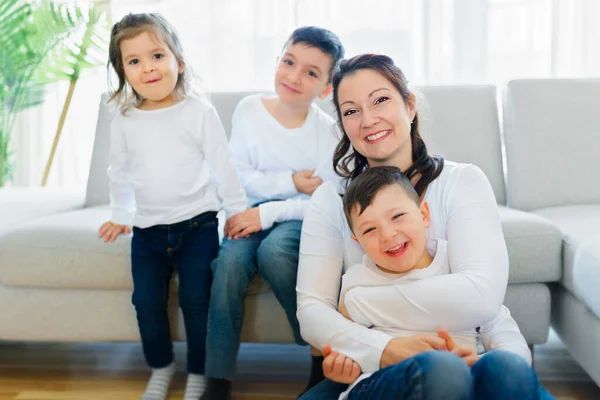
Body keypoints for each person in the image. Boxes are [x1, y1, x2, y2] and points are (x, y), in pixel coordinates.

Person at [296, 53, 512, 399]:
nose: (368, 120)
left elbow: (482, 298)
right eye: (351, 111)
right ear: (342, 127)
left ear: (410, 106)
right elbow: (312, 314)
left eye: (380, 100)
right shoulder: (330, 197)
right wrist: (385, 348)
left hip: (461, 357)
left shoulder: (463, 181)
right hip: (374, 367)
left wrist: (357, 304)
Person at [98, 13, 247, 400]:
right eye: (134, 61)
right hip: (147, 232)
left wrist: (237, 210)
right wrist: (120, 214)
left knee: (198, 303)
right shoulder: (124, 118)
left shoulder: (199, 111)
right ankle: (161, 368)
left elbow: (223, 163)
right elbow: (119, 170)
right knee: (146, 302)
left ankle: (198, 372)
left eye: (156, 55)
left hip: (197, 226)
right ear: (124, 72)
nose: (147, 67)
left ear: (178, 61)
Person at [201, 26, 345, 400]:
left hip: (299, 218)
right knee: (229, 265)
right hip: (249, 210)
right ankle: (217, 380)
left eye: (311, 72)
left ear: (327, 89)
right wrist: (292, 180)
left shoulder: (328, 133)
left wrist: (273, 211)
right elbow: (235, 177)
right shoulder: (250, 110)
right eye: (288, 62)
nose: (294, 77)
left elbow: (324, 200)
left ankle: (320, 355)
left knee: (275, 251)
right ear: (278, 61)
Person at [321, 165, 551, 399]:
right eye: (370, 229)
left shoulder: (457, 265)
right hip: (388, 382)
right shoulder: (358, 279)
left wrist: (479, 363)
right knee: (443, 368)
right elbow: (348, 341)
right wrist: (344, 364)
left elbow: (505, 335)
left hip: (466, 381)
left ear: (424, 214)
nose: (388, 234)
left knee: (506, 367)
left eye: (398, 216)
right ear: (357, 241)